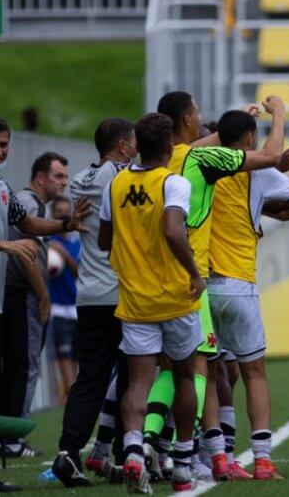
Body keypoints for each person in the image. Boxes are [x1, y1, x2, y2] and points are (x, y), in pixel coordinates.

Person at [138, 92, 286, 483]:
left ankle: (163, 446)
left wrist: (237, 124)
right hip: (215, 279)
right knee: (241, 372)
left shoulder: (158, 164)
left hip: (161, 283)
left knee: (180, 372)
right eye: (197, 114)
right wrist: (279, 114)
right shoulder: (212, 160)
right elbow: (279, 169)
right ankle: (257, 459)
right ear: (187, 118)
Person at [202, 109, 289, 481]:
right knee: (253, 372)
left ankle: (219, 460)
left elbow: (279, 208)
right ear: (248, 140)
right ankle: (262, 460)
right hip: (238, 283)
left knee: (208, 374)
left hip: (200, 286)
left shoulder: (192, 163)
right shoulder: (256, 168)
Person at [98, 113, 203, 494]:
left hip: (135, 300)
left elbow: (102, 240)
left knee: (138, 383)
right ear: (172, 145)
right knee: (183, 377)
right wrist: (194, 272)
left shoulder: (117, 182)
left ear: (137, 145)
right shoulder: (172, 182)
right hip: (175, 298)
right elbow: (174, 229)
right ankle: (184, 463)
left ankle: (131, 452)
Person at [0, 115, 89, 492]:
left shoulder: (3, 189)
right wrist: (4, 246)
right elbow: (16, 240)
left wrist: (65, 226)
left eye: (2, 144)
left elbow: (25, 225)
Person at [52, 118, 136, 488]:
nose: (137, 148)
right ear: (120, 145)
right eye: (133, 142)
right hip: (120, 293)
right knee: (133, 376)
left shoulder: (80, 179)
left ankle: (69, 452)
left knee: (91, 377)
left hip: (88, 293)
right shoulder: (119, 176)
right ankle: (123, 453)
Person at [0, 151, 71, 459]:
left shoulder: (32, 204)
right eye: (58, 176)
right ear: (40, 177)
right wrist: (42, 293)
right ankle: (10, 440)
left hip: (18, 294)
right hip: (22, 294)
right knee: (24, 367)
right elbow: (25, 253)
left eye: (65, 176)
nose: (64, 182)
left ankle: (8, 437)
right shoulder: (27, 203)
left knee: (19, 367)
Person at [48, 196, 81, 403]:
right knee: (64, 354)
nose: (62, 215)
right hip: (58, 308)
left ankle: (77, 394)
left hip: (79, 308)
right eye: (57, 212)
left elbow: (81, 273)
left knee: (80, 355)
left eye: (65, 212)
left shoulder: (78, 244)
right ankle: (70, 395)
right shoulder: (49, 243)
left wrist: (65, 257)